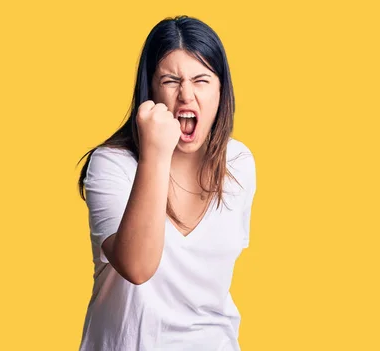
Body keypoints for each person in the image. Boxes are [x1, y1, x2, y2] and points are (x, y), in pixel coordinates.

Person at [76, 15, 256, 351]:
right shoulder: (111, 164)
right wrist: (156, 154)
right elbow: (137, 267)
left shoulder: (239, 164)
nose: (186, 95)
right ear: (152, 91)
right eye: (171, 81)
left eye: (201, 80)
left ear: (221, 91)